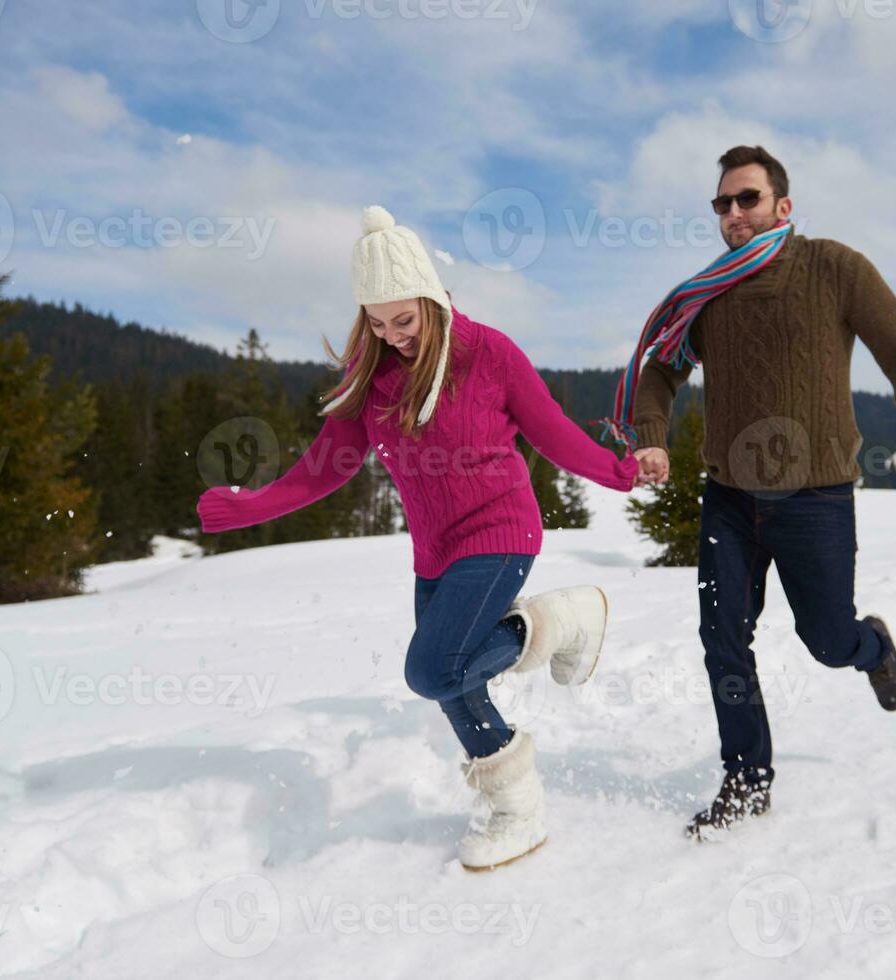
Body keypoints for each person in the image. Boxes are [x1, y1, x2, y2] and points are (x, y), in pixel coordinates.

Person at [198, 206, 644, 870]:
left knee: (431, 669)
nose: (392, 335)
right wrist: (254, 506)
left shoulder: (489, 353)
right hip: (435, 550)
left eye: (402, 320)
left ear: (431, 299)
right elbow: (327, 465)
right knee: (455, 683)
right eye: (376, 323)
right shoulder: (369, 375)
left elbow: (550, 430)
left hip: (501, 530)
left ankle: (562, 619)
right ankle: (517, 809)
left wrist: (617, 471)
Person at [601, 145, 896, 840]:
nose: (733, 213)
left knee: (824, 639)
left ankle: (869, 647)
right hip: (728, 495)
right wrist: (650, 434)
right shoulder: (706, 291)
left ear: (782, 206)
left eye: (746, 199)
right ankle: (747, 777)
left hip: (814, 497)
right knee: (721, 637)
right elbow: (662, 370)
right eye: (722, 203)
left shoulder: (834, 268)